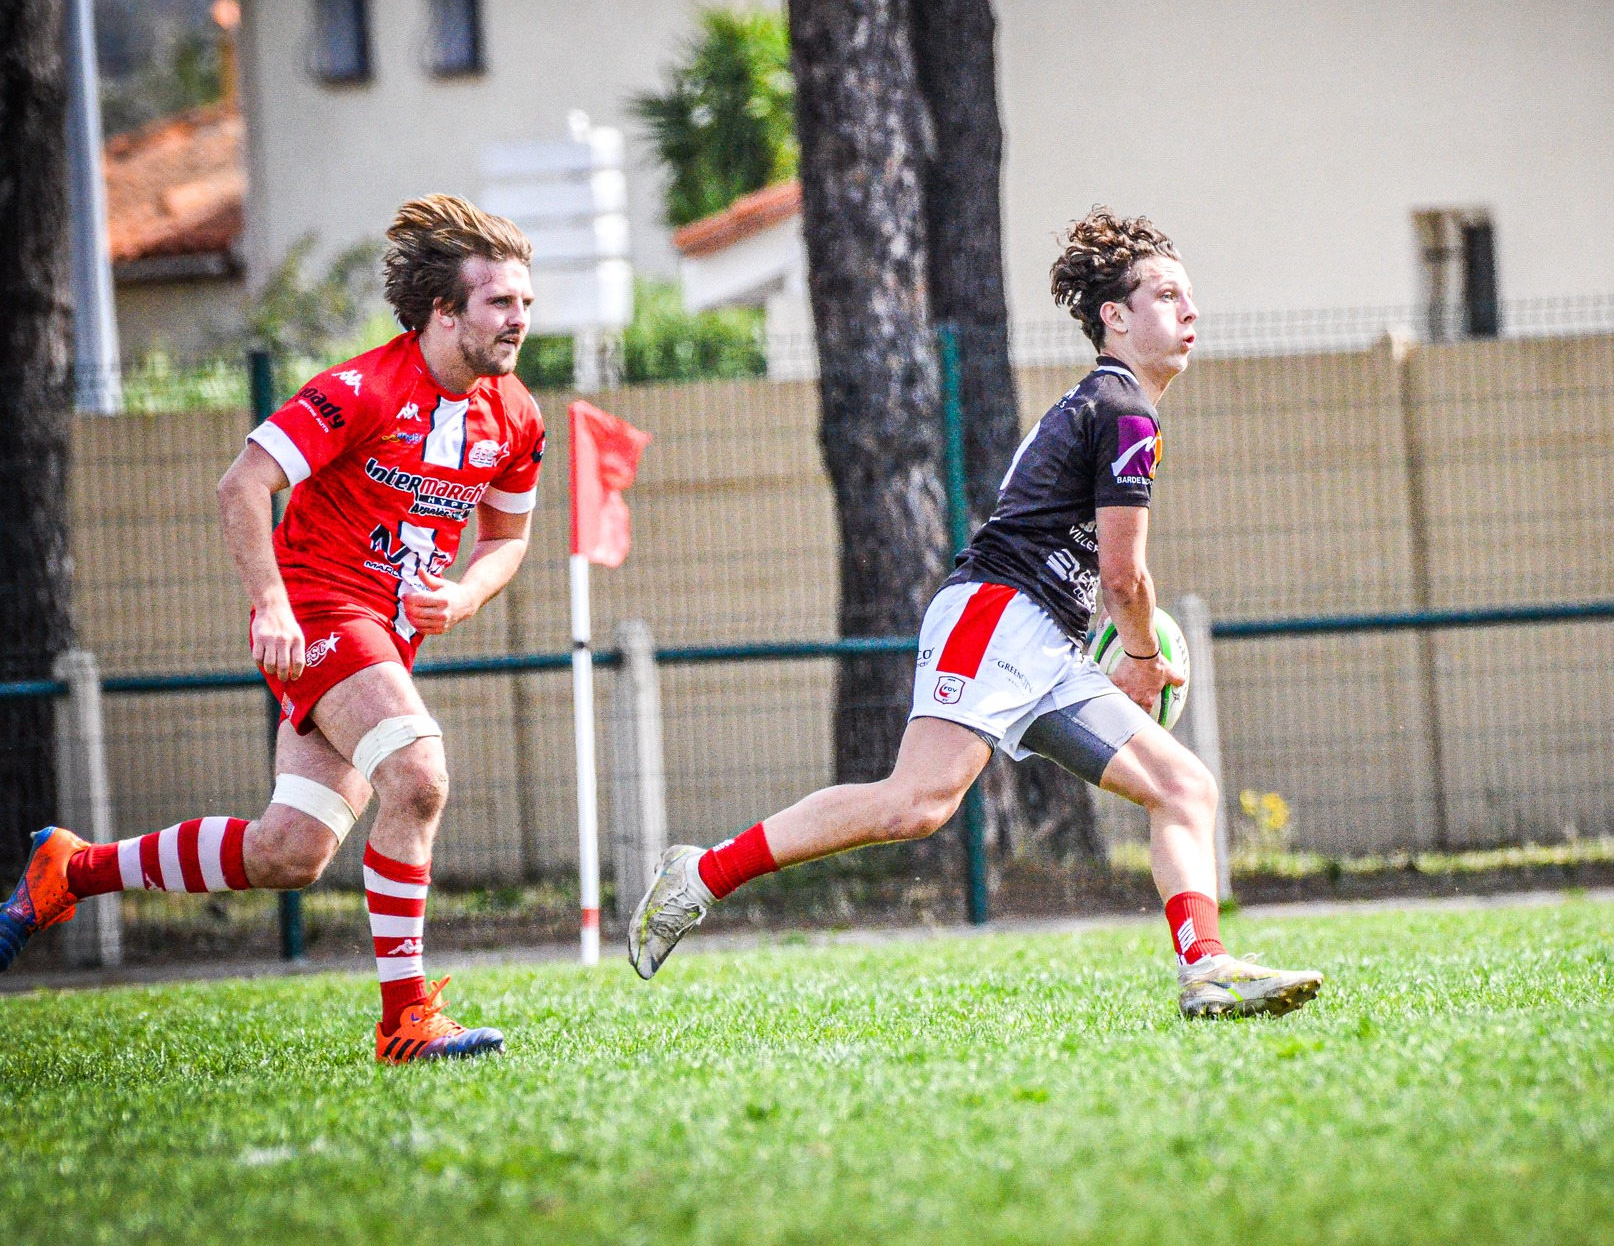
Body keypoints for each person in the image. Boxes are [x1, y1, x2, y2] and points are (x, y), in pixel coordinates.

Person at [628, 209, 1322, 1019]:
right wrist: (1138, 652)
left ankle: (1206, 970)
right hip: (997, 617)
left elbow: (1113, 575)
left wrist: (1128, 647)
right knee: (913, 805)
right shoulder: (1124, 407)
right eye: (1168, 295)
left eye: (1190, 296)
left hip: (1046, 638)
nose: (1190, 311)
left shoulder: (1118, 404)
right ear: (1117, 317)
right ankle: (700, 874)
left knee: (1183, 788)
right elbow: (1125, 576)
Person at [0, 195, 547, 1062]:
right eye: (500, 303)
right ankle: (406, 1018)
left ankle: (71, 870)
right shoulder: (360, 388)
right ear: (445, 312)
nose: (521, 319)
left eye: (524, 301)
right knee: (419, 774)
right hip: (325, 613)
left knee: (289, 851)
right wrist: (274, 606)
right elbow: (242, 484)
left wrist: (469, 594)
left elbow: (508, 539)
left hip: (382, 639)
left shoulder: (515, 415)